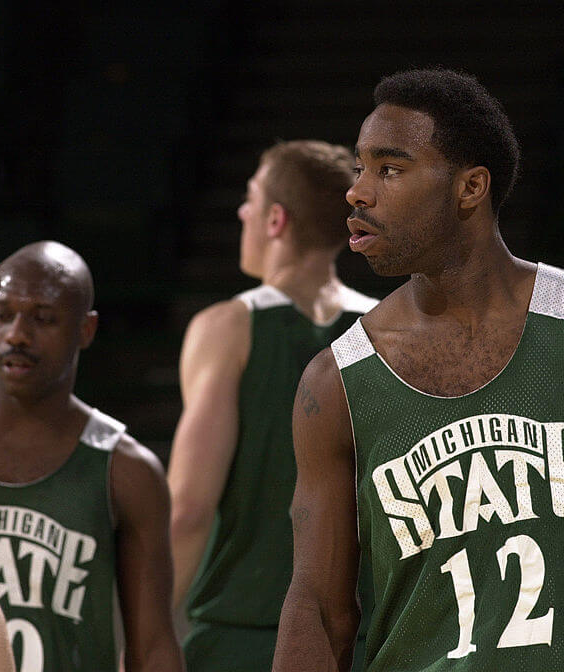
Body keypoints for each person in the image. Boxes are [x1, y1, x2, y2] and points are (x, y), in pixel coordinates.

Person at [274, 68, 564, 672]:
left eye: (390, 168)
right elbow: (318, 610)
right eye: (359, 168)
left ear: (470, 187)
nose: (358, 191)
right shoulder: (334, 385)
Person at [0, 241, 184, 672]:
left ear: (86, 329)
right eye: (2, 314)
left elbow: (152, 649)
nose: (17, 335)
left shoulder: (125, 470)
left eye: (43, 319)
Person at [167, 140, 377, 671]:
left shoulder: (227, 329)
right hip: (360, 639)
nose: (241, 210)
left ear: (276, 220)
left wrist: (147, 633)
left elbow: (188, 509)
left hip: (241, 636)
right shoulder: (388, 332)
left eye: (251, 197)